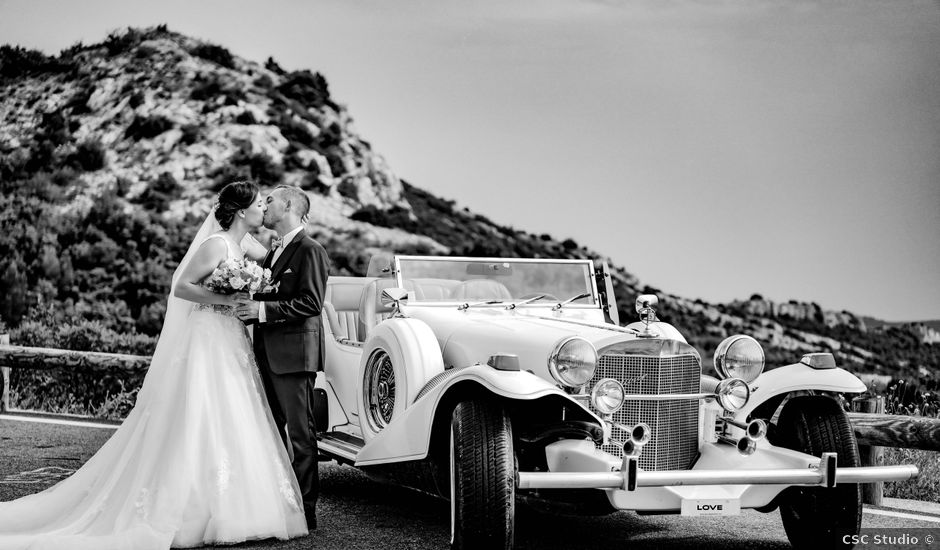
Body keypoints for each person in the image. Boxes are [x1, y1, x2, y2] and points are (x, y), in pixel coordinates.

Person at [0, 181, 308, 550]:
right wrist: (223, 298)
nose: (264, 207)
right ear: (242, 211)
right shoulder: (216, 244)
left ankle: (233, 504)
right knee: (200, 408)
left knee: (231, 411)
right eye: (260, 203)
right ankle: (191, 505)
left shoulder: (243, 245)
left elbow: (271, 259)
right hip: (208, 332)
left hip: (231, 338)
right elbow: (181, 287)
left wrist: (259, 272)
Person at [235, 185, 330, 530]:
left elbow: (311, 303)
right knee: (270, 433)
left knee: (301, 437)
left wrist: (260, 311)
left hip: (293, 358)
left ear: (289, 205)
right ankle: (275, 505)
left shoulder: (310, 250)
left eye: (270, 200)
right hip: (266, 354)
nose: (265, 205)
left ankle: (306, 513)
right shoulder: (274, 252)